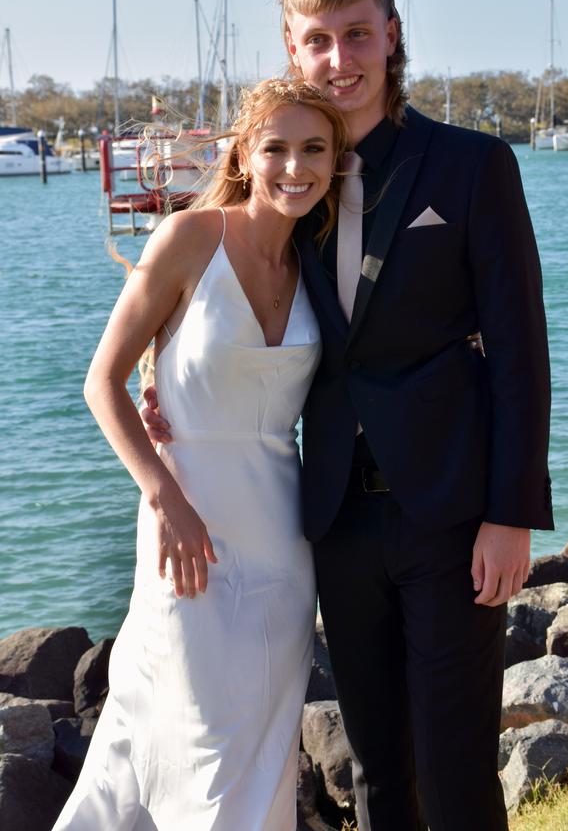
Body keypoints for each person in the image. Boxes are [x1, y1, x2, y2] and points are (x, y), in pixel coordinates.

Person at [144, 0, 554, 831]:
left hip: (452, 513)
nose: (341, 60)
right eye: (319, 42)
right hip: (331, 518)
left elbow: (522, 353)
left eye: (357, 35)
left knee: (455, 774)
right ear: (294, 51)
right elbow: (209, 293)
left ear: (392, 35)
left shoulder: (473, 166)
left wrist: (511, 511)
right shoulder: (291, 185)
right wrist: (164, 386)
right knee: (375, 772)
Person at [52, 78, 348, 831]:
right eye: (275, 147)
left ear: (336, 159)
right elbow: (102, 382)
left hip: (284, 544)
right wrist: (165, 497)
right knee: (192, 743)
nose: (294, 167)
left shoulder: (318, 262)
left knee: (262, 752)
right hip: (187, 534)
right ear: (246, 153)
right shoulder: (190, 239)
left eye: (314, 148)